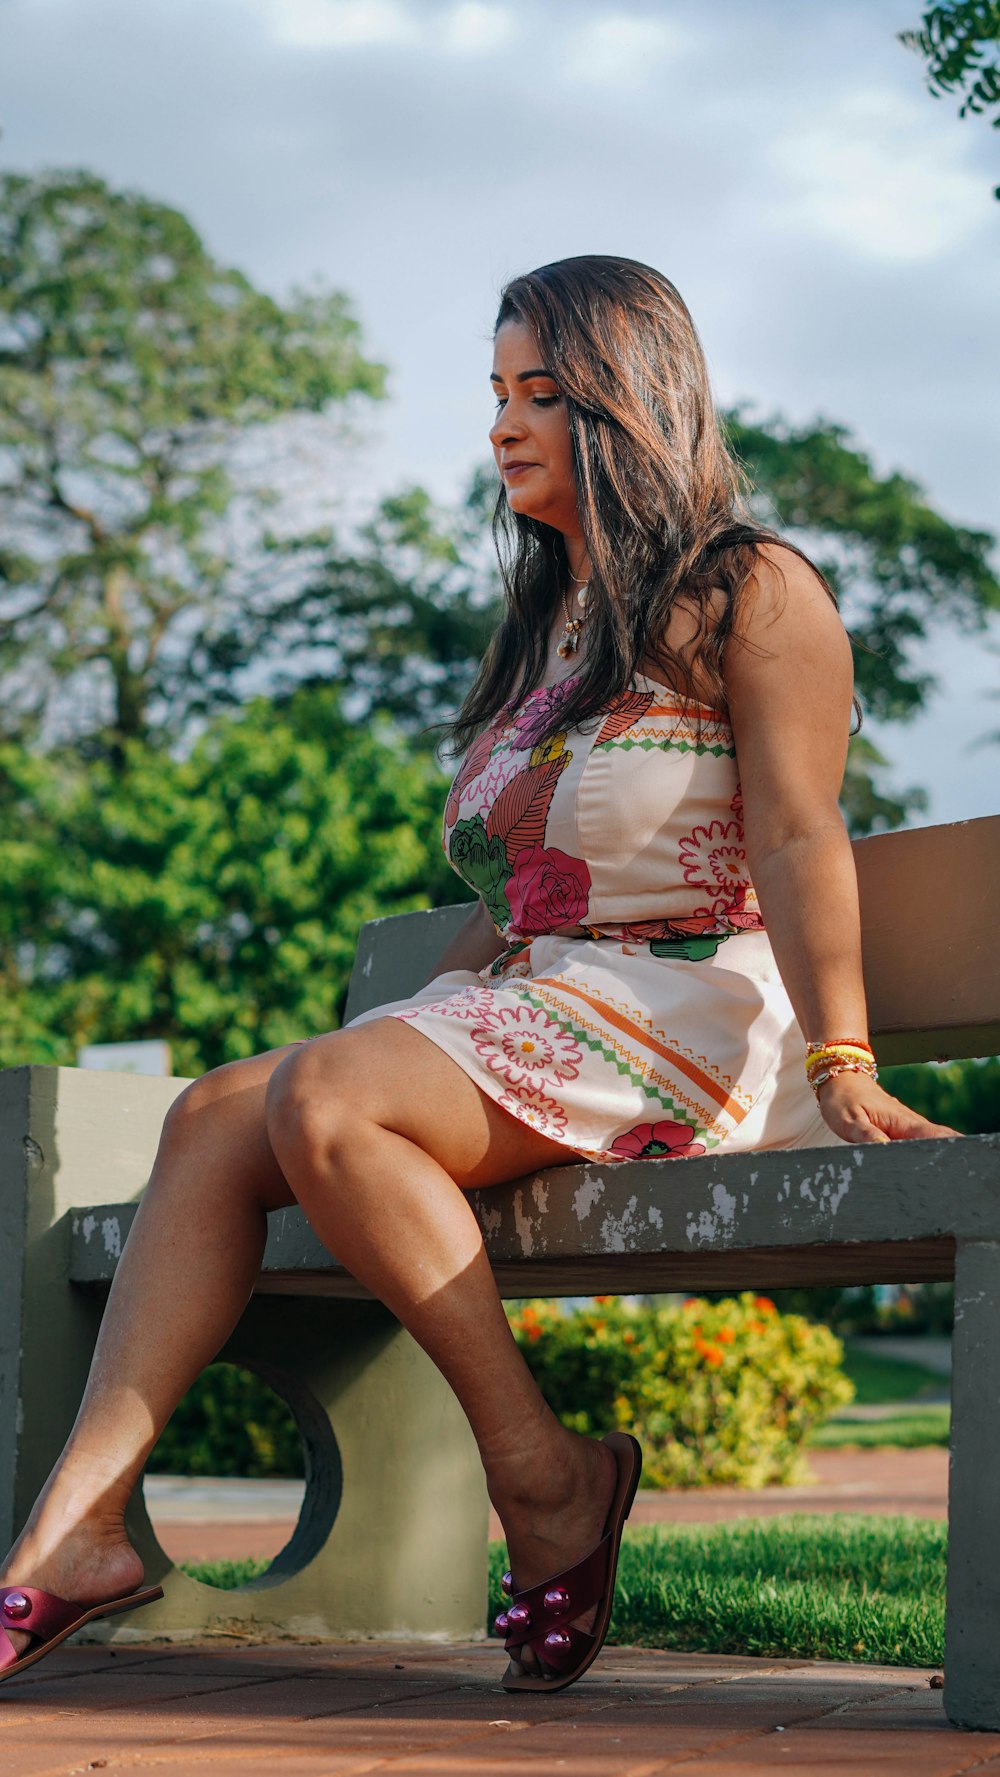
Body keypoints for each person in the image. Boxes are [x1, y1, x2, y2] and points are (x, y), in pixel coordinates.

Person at [0, 255, 956, 1695]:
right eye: (498, 393)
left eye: (544, 394)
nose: (503, 424)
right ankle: (69, 1537)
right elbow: (506, 900)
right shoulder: (547, 622)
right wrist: (391, 1045)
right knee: (215, 1112)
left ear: (632, 400)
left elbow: (802, 832)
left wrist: (847, 1059)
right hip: (552, 1001)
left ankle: (545, 1479)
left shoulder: (751, 591)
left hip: (690, 1011)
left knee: (325, 1099)